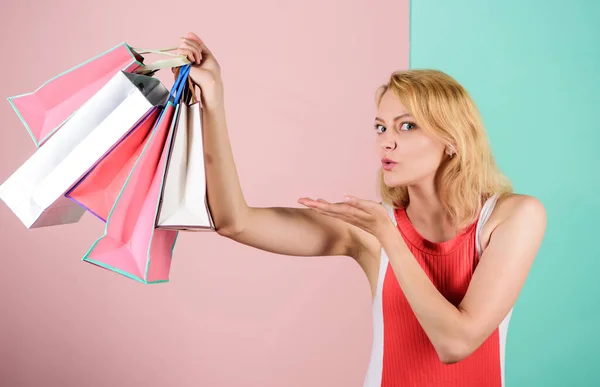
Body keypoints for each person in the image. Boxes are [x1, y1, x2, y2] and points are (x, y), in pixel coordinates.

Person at [175, 32, 547, 387]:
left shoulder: (513, 218)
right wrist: (213, 100)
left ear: (451, 140)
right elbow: (233, 222)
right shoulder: (370, 229)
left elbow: (455, 344)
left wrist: (390, 238)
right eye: (380, 128)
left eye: (407, 126)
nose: (387, 142)